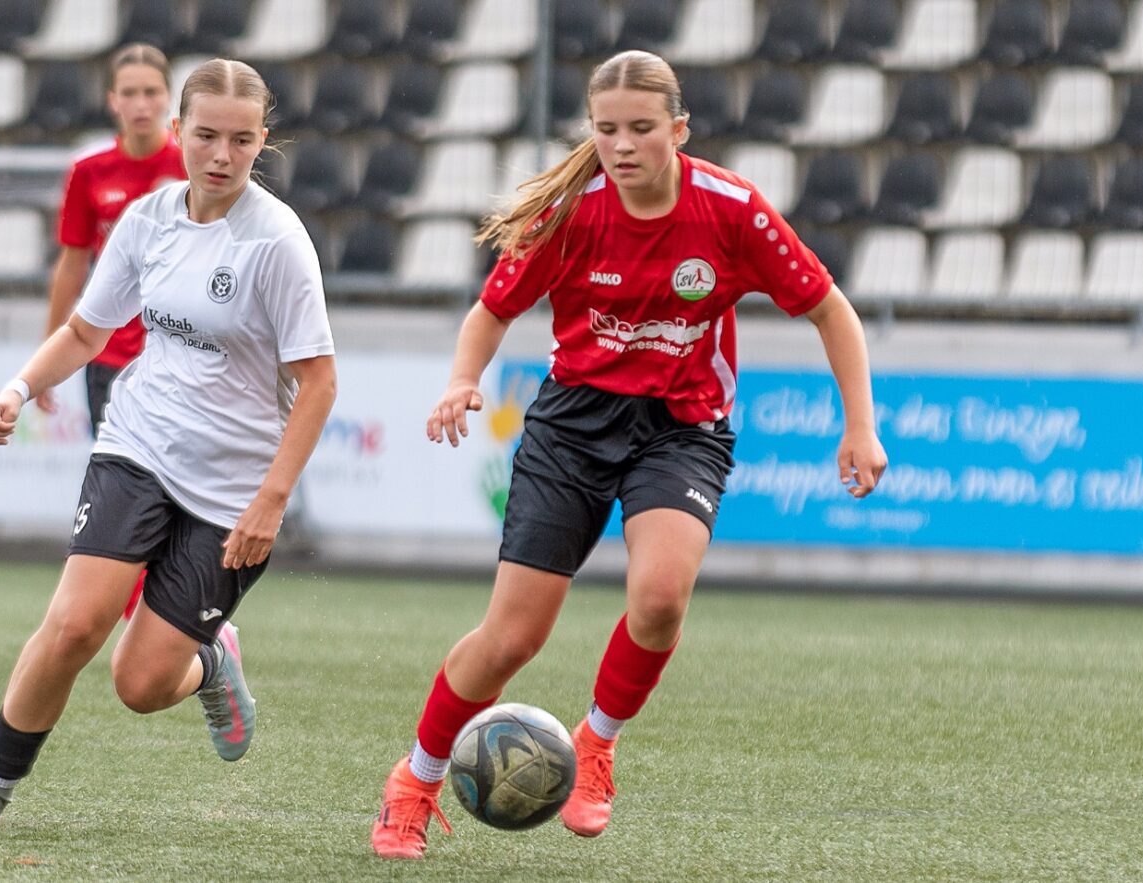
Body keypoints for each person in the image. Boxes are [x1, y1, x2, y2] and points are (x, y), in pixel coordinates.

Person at [369, 50, 887, 859]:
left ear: (678, 131)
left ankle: (598, 744)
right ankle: (415, 779)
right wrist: (462, 381)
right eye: (606, 129)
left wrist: (860, 425)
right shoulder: (573, 214)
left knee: (659, 597)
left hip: (682, 428)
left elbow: (831, 310)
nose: (622, 144)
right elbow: (489, 311)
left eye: (642, 128)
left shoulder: (731, 209)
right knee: (511, 638)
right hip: (572, 424)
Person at [0, 58, 337, 830]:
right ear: (179, 131)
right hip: (137, 447)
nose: (222, 155)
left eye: (242, 140)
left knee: (140, 684)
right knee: (74, 623)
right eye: (208, 135)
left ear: (263, 143)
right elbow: (88, 329)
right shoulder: (147, 220)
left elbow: (318, 384)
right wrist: (15, 389)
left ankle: (213, 660)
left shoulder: (278, 241)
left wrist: (272, 500)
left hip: (232, 492)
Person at [42, 43, 185, 622]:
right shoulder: (89, 174)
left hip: (178, 358)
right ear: (112, 101)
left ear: (168, 99)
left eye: (152, 91)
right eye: (130, 92)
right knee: (122, 491)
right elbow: (72, 264)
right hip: (108, 359)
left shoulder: (192, 169)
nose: (142, 103)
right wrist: (52, 353)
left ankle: (176, 613)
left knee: (176, 488)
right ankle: (136, 618)